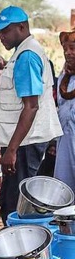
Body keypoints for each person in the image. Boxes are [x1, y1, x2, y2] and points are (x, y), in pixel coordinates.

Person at [0, 6, 63, 225]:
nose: (1, 36)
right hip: (21, 141)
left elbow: (31, 106)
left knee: (18, 207)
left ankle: (18, 255)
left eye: (5, 31)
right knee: (14, 202)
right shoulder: (23, 53)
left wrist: (11, 150)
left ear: (21, 27)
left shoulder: (27, 56)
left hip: (24, 143)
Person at [54, 31, 75, 191]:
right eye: (65, 49)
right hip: (65, 141)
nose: (68, 53)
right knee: (64, 186)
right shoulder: (63, 78)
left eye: (73, 49)